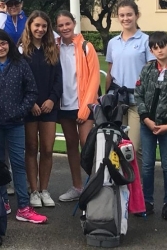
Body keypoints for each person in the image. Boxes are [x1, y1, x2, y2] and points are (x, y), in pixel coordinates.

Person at [0, 29, 47, 224]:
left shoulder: (20, 64)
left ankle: (23, 206)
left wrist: (21, 111)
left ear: (9, 43)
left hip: (15, 124)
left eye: (3, 43)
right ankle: (2, 201)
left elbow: (31, 91)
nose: (0, 48)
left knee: (18, 165)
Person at [135, 31, 167, 220]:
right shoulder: (147, 70)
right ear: (151, 50)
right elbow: (138, 94)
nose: (159, 50)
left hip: (166, 127)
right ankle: (147, 202)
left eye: (162, 46)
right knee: (147, 165)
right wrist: (146, 118)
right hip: (147, 125)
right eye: (155, 48)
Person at [54, 10, 100, 203]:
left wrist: (86, 107)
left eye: (67, 24)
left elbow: (94, 78)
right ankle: (77, 187)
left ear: (74, 24)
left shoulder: (86, 47)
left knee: (87, 147)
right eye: (61, 25)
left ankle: (96, 187)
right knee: (71, 147)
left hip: (83, 105)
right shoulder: (54, 48)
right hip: (64, 105)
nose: (65, 28)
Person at [20, 11, 62, 209]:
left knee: (47, 149)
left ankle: (44, 189)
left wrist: (52, 100)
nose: (40, 29)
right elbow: (19, 81)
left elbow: (57, 79)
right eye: (36, 25)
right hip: (30, 108)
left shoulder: (52, 49)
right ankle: (33, 189)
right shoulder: (21, 51)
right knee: (31, 148)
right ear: (30, 26)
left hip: (48, 107)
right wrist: (31, 103)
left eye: (44, 26)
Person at [105, 0, 155, 154]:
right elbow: (110, 71)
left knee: (132, 148)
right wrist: (105, 97)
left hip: (137, 101)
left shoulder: (146, 41)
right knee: (116, 145)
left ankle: (135, 179)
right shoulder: (113, 42)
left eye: (129, 15)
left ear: (136, 16)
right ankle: (120, 178)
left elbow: (152, 72)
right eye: (122, 15)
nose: (125, 18)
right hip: (116, 99)